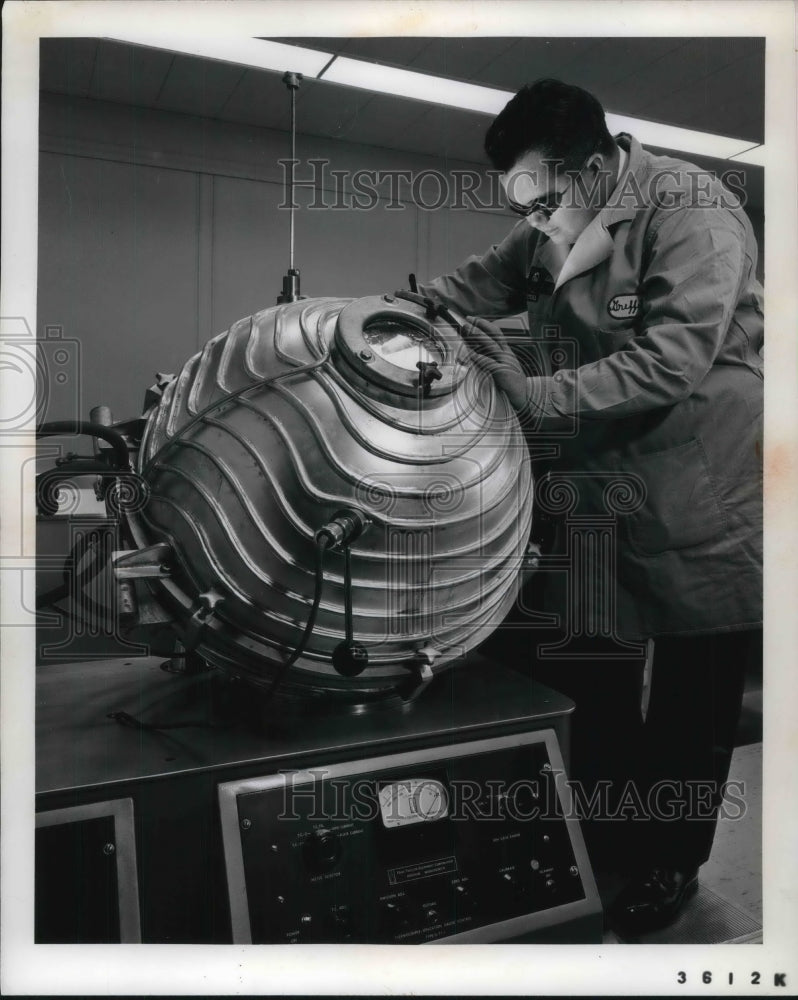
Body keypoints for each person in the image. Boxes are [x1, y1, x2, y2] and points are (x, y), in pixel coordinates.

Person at [417, 79, 763, 935]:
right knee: (588, 663)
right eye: (523, 207)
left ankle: (669, 863)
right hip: (600, 468)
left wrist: (533, 395)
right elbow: (475, 283)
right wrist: (394, 314)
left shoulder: (694, 214)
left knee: (692, 698)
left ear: (597, 166)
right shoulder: (553, 212)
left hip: (698, 480)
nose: (534, 223)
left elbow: (670, 362)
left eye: (542, 203)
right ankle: (605, 833)